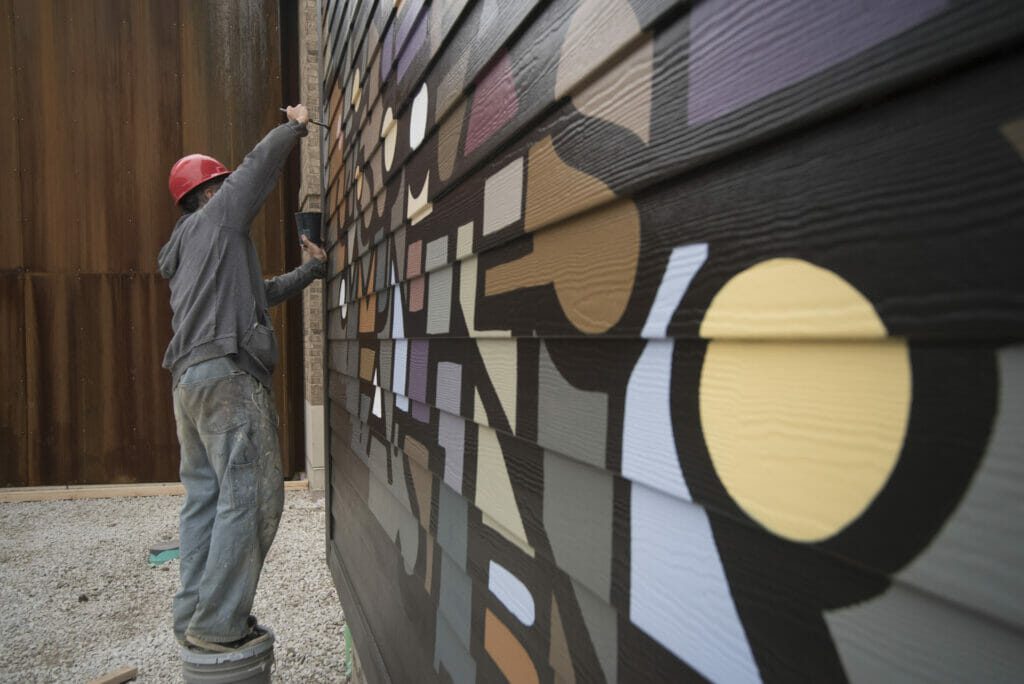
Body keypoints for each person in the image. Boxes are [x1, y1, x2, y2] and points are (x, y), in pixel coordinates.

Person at [157, 104, 325, 652]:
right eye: (221, 185)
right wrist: (296, 124)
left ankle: (193, 617)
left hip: (189, 385)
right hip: (227, 378)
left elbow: (261, 294)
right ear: (207, 193)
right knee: (251, 495)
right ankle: (220, 623)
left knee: (205, 499)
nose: (230, 189)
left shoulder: (191, 251)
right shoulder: (219, 220)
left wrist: (311, 272)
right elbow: (257, 168)